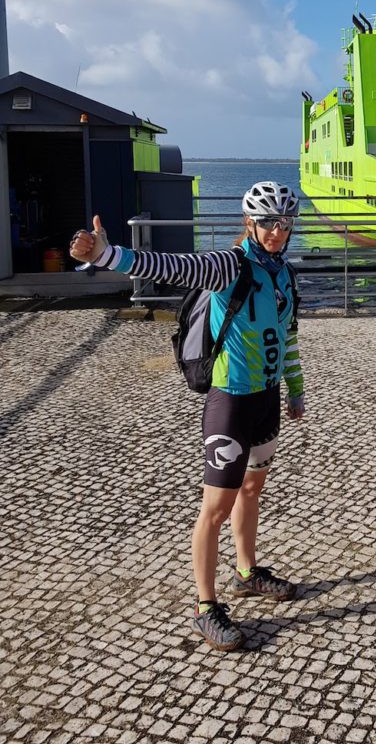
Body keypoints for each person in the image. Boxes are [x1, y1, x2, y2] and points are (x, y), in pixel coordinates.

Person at [69, 181, 305, 652]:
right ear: (248, 223)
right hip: (231, 401)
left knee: (252, 488)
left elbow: (290, 333)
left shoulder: (283, 272)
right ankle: (204, 606)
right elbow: (172, 266)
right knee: (215, 508)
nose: (277, 232)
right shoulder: (227, 265)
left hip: (268, 397)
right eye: (267, 223)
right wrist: (105, 255)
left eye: (284, 223)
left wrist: (295, 390)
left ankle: (245, 571)